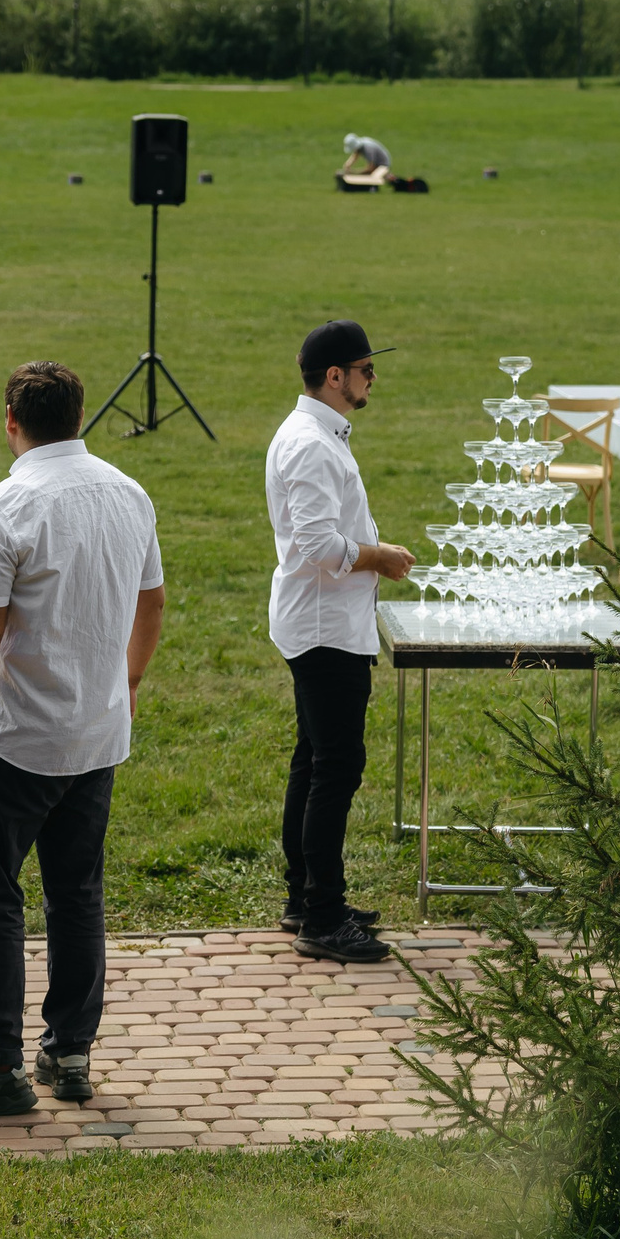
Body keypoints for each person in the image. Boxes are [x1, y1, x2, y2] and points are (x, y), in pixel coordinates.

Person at [0, 362, 167, 1119]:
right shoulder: (129, 493)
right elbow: (152, 600)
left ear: (9, 418)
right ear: (78, 415)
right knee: (76, 893)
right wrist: (129, 682)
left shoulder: (2, 508)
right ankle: (71, 1049)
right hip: (96, 731)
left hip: (17, 737)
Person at [266, 320, 416, 964]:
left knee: (314, 761)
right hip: (326, 630)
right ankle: (322, 917)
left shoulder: (316, 435)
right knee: (336, 768)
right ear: (335, 376)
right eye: (365, 369)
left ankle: (306, 897)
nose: (372, 378)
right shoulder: (311, 446)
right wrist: (379, 555)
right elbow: (319, 547)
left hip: (325, 625)